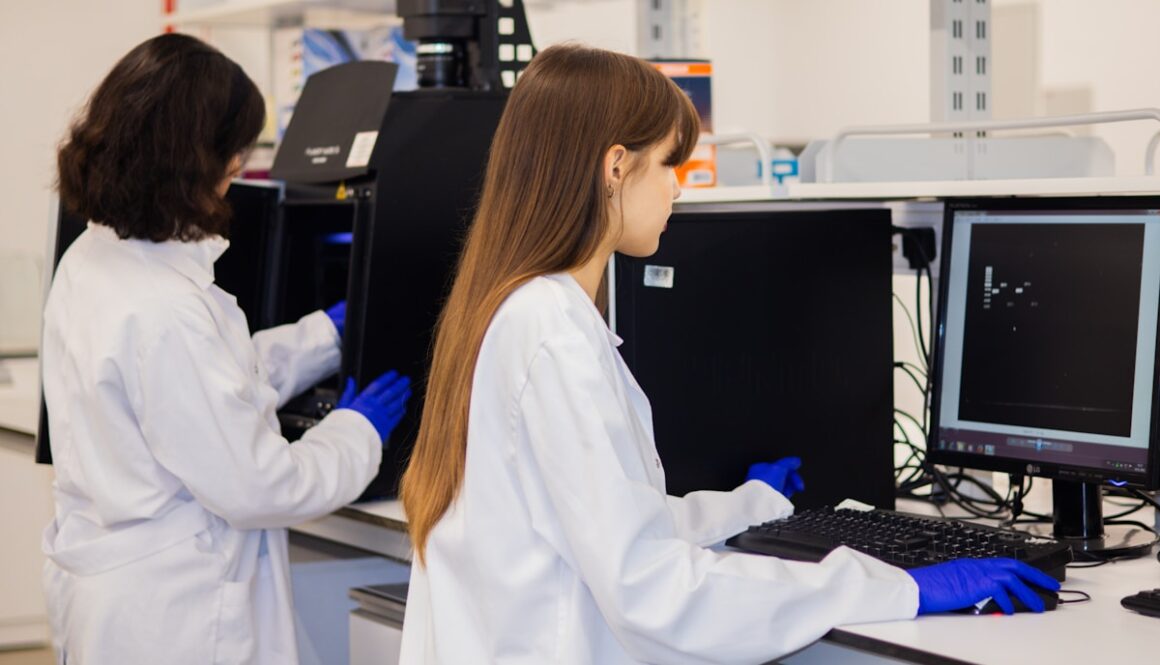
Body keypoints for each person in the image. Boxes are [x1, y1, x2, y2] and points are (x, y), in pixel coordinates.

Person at [398, 44, 1059, 664]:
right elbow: (650, 586)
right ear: (616, 166)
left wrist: (750, 504)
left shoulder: (517, 309)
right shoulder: (551, 331)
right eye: (668, 165)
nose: (677, 190)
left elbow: (618, 521)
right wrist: (895, 587)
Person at [41, 33, 410, 664]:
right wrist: (355, 434)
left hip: (118, 593)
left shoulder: (97, 256)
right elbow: (260, 485)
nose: (240, 165)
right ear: (185, 156)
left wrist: (325, 335)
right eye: (232, 148)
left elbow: (201, 385)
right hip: (176, 613)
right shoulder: (165, 307)